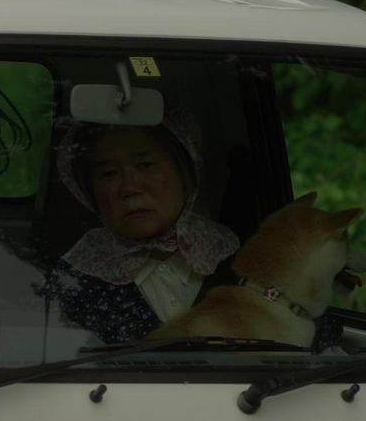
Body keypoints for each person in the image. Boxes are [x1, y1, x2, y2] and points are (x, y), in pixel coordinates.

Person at [38, 114, 241, 344]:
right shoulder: (72, 281)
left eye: (145, 165)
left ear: (186, 172)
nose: (130, 187)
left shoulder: (236, 257)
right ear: (89, 193)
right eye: (108, 174)